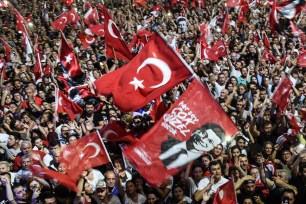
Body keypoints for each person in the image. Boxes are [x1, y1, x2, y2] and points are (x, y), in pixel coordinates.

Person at [159, 123, 224, 170]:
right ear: (198, 130)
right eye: (204, 134)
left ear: (212, 148)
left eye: (210, 141)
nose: (203, 139)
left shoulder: (197, 164)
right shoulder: (167, 139)